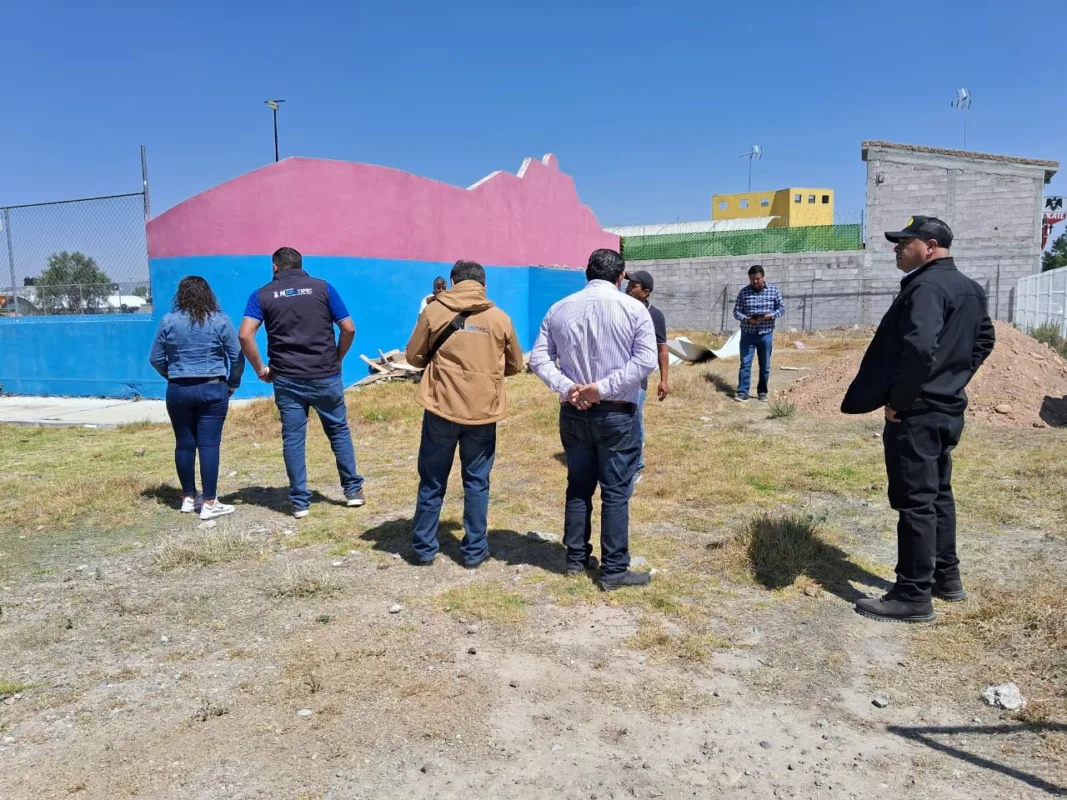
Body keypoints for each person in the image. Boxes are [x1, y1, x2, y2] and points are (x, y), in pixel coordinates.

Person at [842, 216, 995, 624]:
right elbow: (984, 340)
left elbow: (919, 346)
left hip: (919, 412)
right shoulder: (969, 287)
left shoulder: (926, 286)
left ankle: (912, 595)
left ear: (929, 246)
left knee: (915, 502)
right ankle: (946, 578)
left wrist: (900, 401)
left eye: (903, 242)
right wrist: (953, 377)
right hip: (946, 408)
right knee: (937, 494)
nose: (895, 247)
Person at [530, 249, 658, 591]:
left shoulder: (559, 309)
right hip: (615, 411)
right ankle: (614, 570)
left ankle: (575, 559)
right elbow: (646, 361)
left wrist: (568, 387)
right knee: (615, 492)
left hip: (575, 410)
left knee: (579, 485)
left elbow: (539, 359)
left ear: (586, 273)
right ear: (620, 277)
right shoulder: (634, 309)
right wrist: (601, 388)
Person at [404, 260, 525, 567]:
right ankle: (473, 551)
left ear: (454, 282)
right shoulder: (500, 318)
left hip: (440, 408)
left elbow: (414, 357)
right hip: (482, 414)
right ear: (483, 284)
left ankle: (423, 549)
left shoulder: (433, 311)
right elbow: (514, 365)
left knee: (432, 480)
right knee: (477, 482)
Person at [238, 247, 366, 519]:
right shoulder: (323, 288)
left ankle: (299, 502)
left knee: (294, 438)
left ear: (275, 267)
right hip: (325, 374)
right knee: (339, 431)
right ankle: (352, 491)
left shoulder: (261, 295)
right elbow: (349, 327)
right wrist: (337, 357)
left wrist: (261, 369)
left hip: (287, 379)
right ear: (300, 264)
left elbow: (245, 335)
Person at [149, 276, 244, 520]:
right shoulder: (220, 321)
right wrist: (232, 384)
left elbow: (156, 359)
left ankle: (189, 498)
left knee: (184, 443)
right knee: (209, 445)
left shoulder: (168, 321)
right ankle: (210, 502)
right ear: (208, 295)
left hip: (178, 389)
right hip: (213, 388)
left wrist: (173, 375)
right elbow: (236, 357)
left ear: (180, 296)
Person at [624, 270, 669, 482]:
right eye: (628, 283)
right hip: (617, 376)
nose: (628, 288)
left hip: (638, 379)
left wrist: (663, 380)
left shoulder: (654, 316)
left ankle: (637, 466)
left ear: (646, 292)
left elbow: (662, 349)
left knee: (634, 419)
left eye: (633, 285)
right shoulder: (621, 309)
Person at [732, 265, 784, 402]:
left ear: (763, 277)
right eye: (752, 279)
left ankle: (762, 392)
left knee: (765, 365)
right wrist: (747, 319)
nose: (755, 282)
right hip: (748, 334)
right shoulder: (743, 292)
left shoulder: (773, 291)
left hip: (766, 334)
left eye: (757, 279)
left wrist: (770, 315)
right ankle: (743, 392)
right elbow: (736, 312)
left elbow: (781, 309)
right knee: (745, 364)